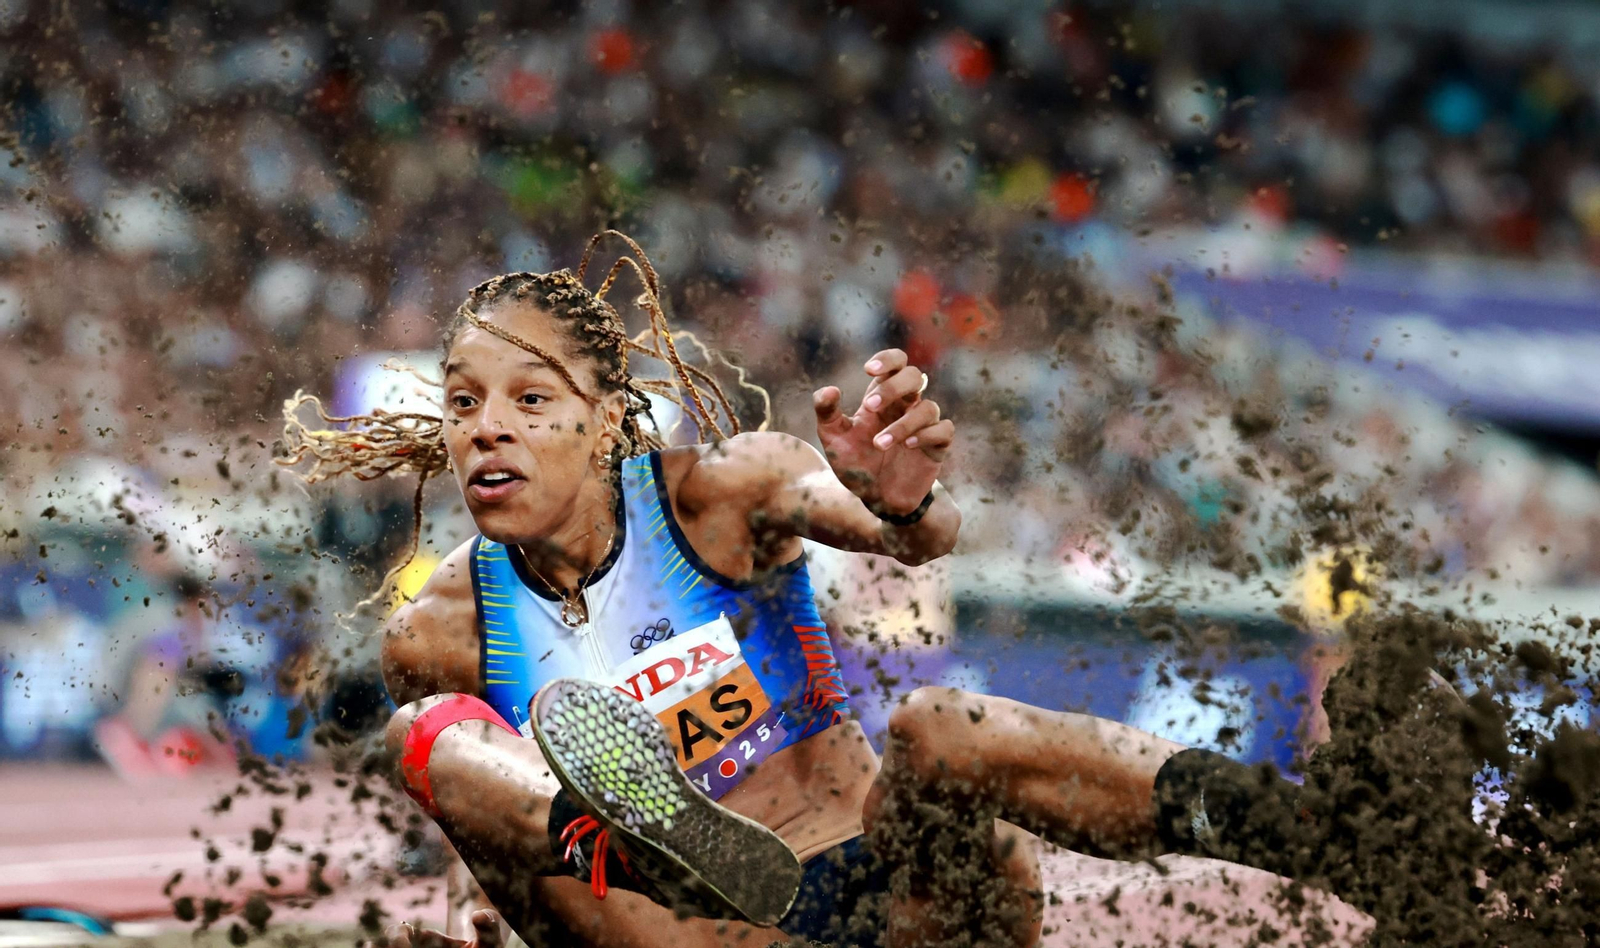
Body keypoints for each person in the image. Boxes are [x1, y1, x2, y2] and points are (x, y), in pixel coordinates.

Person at [281, 232, 1418, 948]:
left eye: (530, 401)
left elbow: (921, 538)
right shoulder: (442, 629)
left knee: (939, 727)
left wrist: (904, 503)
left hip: (889, 905)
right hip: (690, 935)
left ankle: (1328, 839)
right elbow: (492, 840)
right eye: (464, 403)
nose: (487, 429)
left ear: (605, 419)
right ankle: (645, 843)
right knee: (424, 730)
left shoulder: (723, 492)